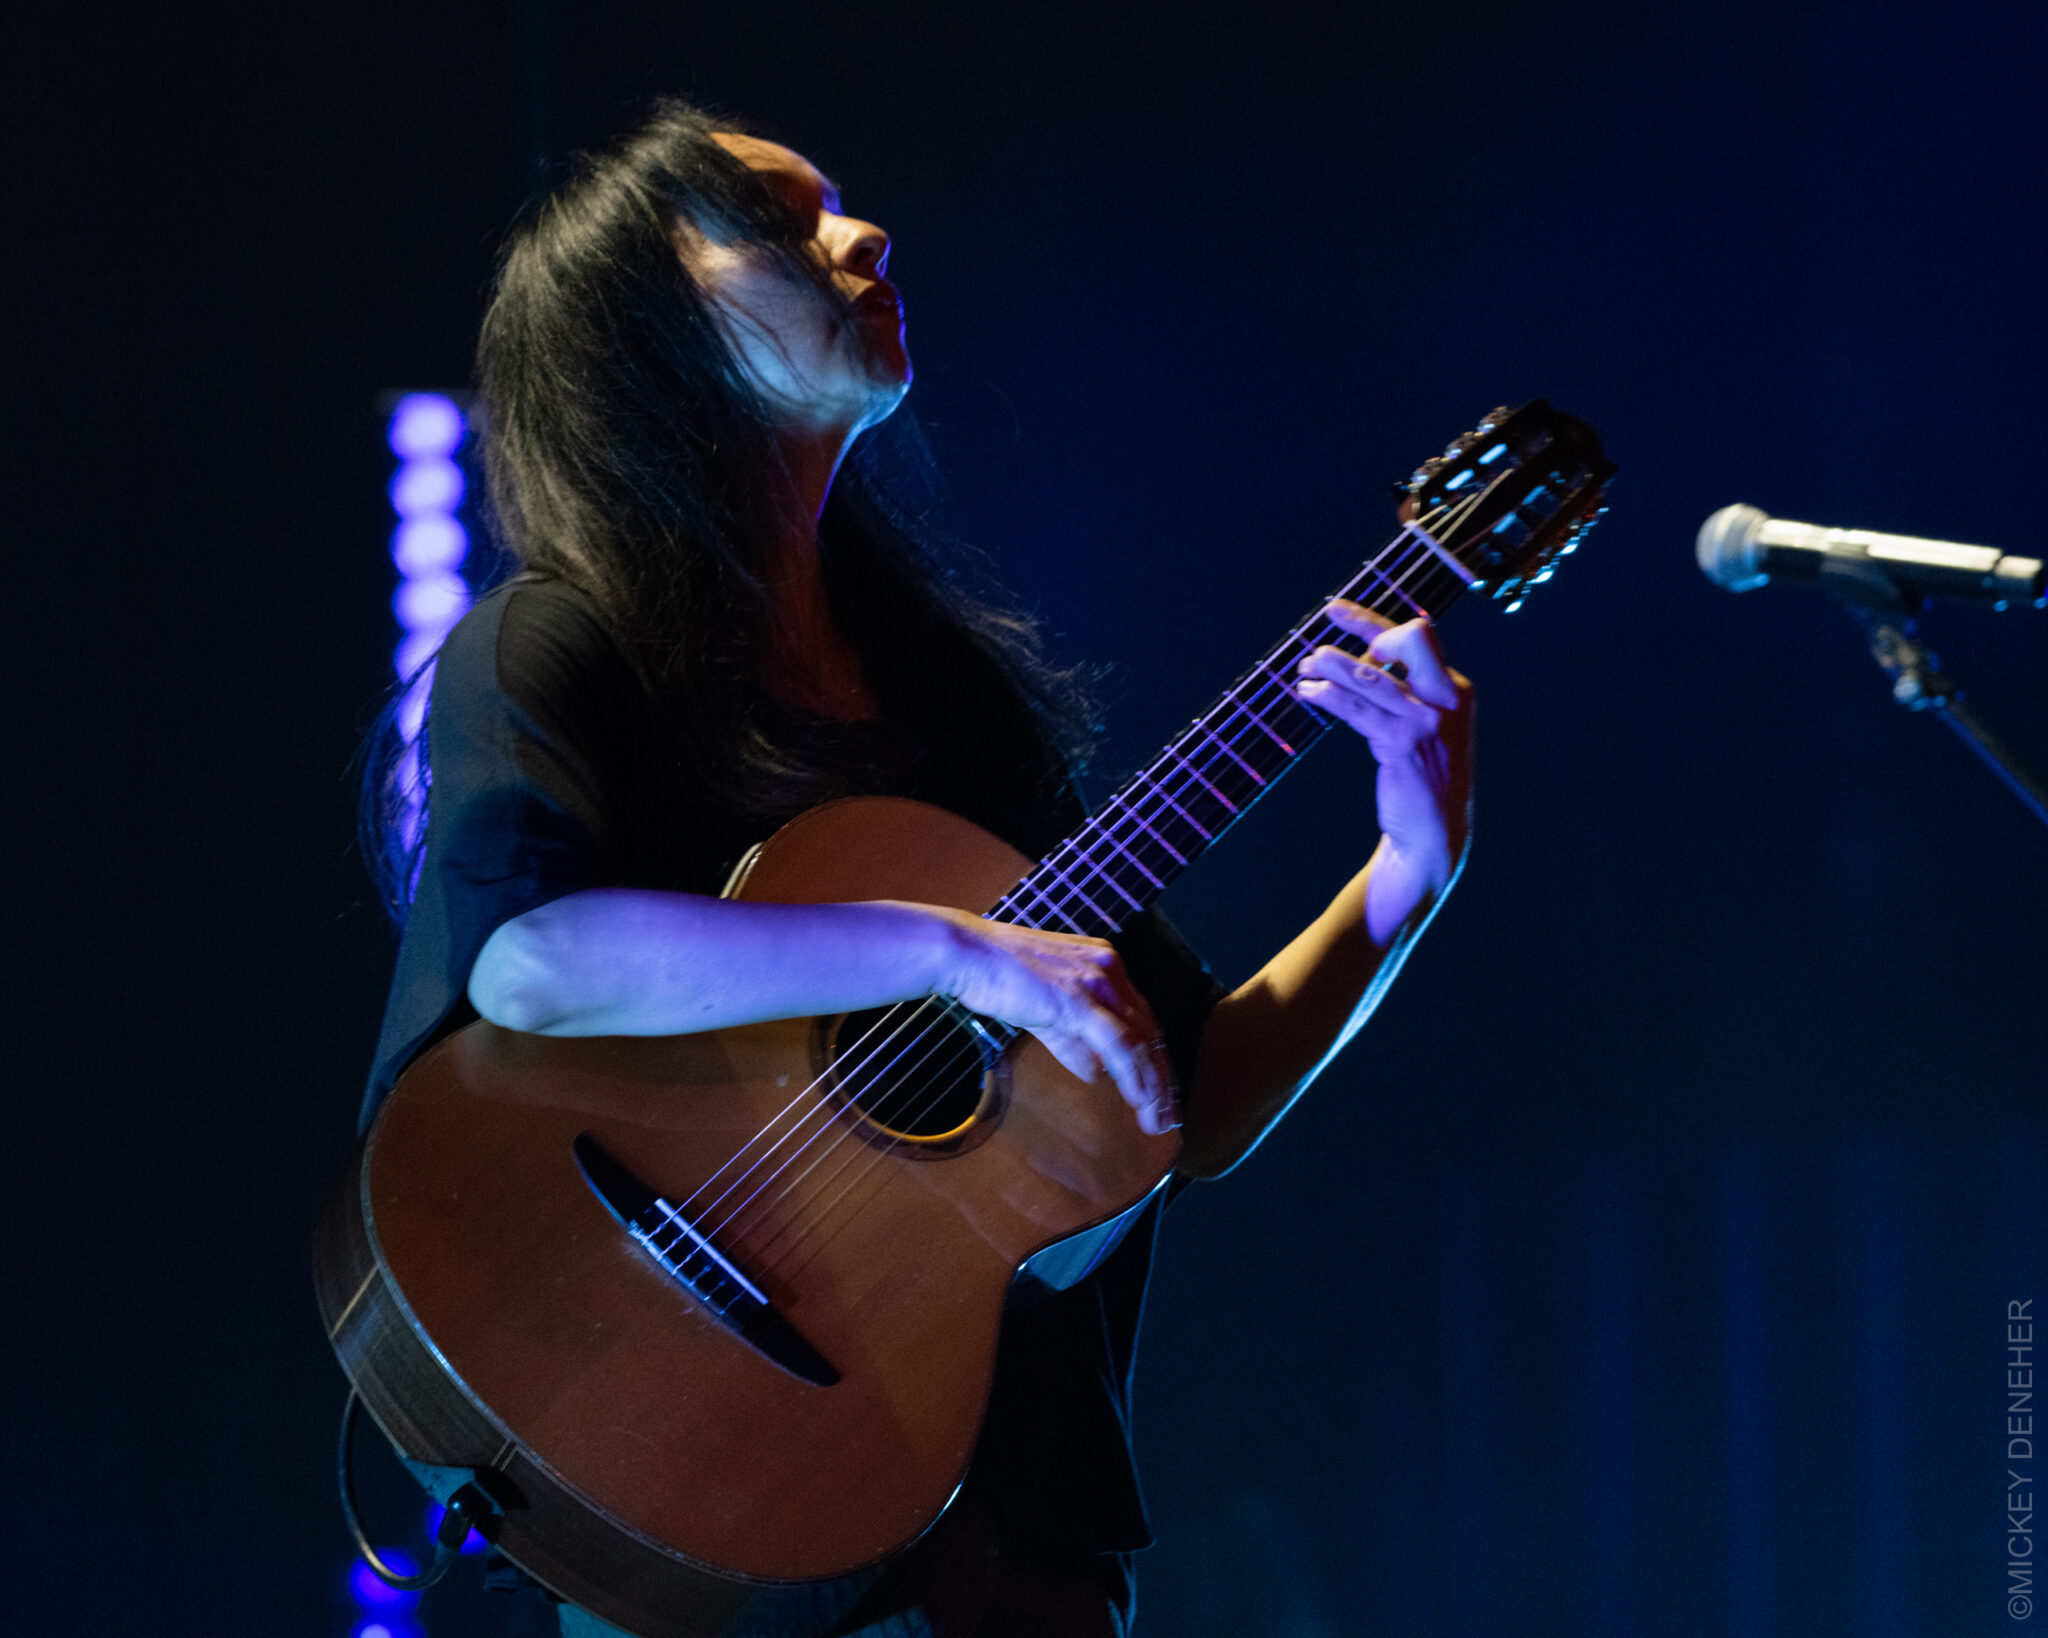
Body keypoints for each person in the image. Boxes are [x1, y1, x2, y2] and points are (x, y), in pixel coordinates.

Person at [361, 99, 1472, 1638]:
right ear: (641, 324)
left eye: (846, 206)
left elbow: (1189, 1101)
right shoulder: (560, 645)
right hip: (712, 1473)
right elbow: (531, 956)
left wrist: (1410, 871)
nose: (865, 236)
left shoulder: (953, 704)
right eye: (779, 221)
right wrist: (951, 950)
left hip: (1010, 1518)